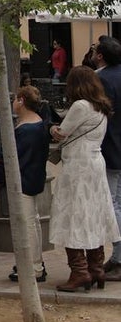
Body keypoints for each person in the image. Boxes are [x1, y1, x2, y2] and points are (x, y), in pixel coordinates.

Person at [49, 66, 121, 291]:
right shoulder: (101, 106)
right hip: (96, 162)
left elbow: (63, 132)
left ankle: (80, 272)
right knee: (92, 215)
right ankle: (96, 268)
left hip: (79, 165)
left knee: (74, 216)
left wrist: (51, 129)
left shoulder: (80, 106)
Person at [0, 86, 50, 283]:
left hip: (24, 178)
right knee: (33, 222)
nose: (13, 103)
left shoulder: (26, 129)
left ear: (22, 100)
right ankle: (35, 262)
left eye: (15, 99)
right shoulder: (37, 124)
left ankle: (33, 266)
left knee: (28, 223)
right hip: (33, 176)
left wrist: (0, 161)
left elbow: (15, 155)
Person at [94, 37, 121, 278]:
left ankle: (119, 256)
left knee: (112, 204)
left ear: (101, 55)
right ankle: (117, 256)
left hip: (111, 147)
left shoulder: (102, 78)